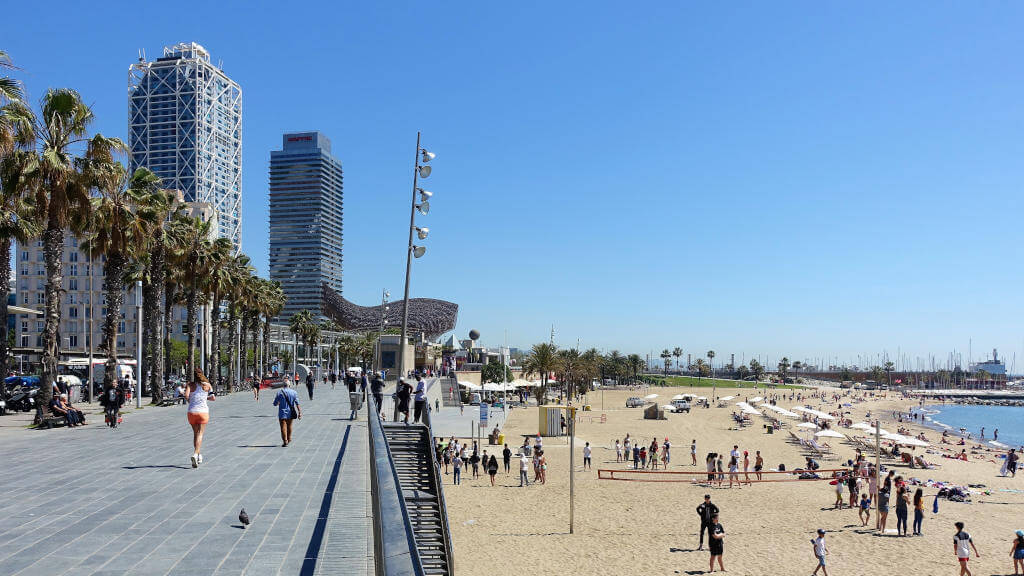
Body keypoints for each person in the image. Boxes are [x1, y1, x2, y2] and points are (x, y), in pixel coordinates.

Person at [185, 369, 213, 468]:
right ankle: (196, 454)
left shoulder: (190, 385)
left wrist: (191, 402)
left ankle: (198, 455)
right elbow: (213, 397)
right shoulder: (207, 385)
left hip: (192, 412)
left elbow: (186, 395)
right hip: (203, 412)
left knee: (195, 434)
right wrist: (205, 398)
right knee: (200, 434)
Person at [272, 379, 302, 447]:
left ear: (283, 385)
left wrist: (278, 402)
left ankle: (285, 441)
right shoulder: (294, 392)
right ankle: (289, 438)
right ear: (289, 385)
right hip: (290, 412)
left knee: (283, 426)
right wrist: (299, 412)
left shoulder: (279, 392)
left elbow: (275, 403)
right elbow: (297, 403)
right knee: (290, 426)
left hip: (282, 412)